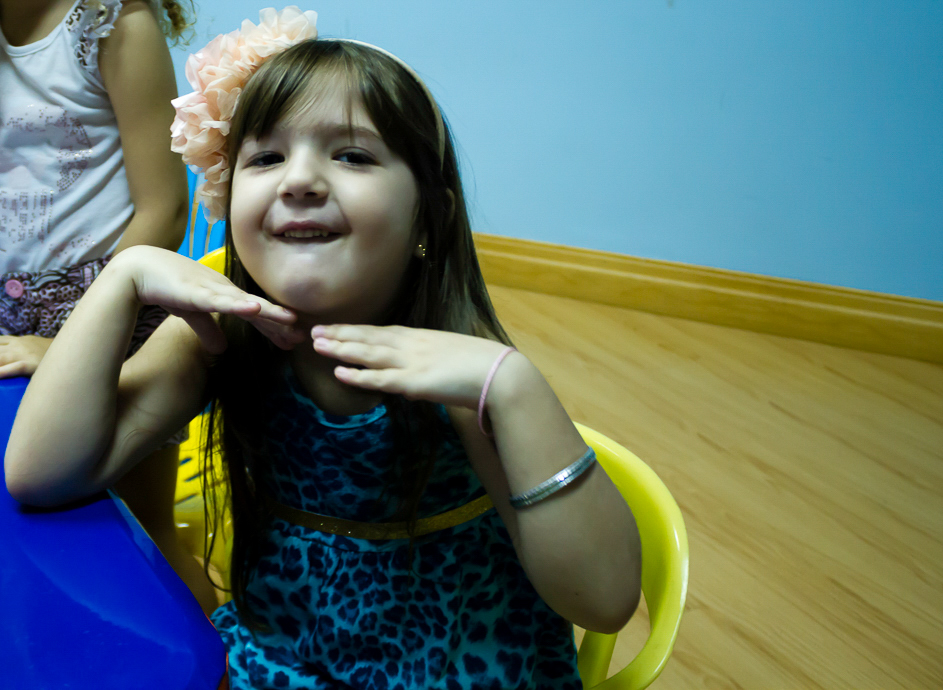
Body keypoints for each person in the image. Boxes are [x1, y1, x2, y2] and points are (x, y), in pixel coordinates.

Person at [5, 6, 643, 688]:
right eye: (266, 157)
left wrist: (513, 387)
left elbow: (603, 603)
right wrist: (123, 281)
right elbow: (39, 477)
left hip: (457, 669)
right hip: (284, 664)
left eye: (353, 156)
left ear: (430, 216)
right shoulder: (226, 332)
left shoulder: (462, 373)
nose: (299, 180)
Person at [0, 0, 218, 612]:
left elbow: (165, 209)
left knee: (142, 533)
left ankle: (214, 657)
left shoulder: (113, 21)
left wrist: (73, 339)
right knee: (40, 526)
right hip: (10, 312)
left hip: (107, 306)